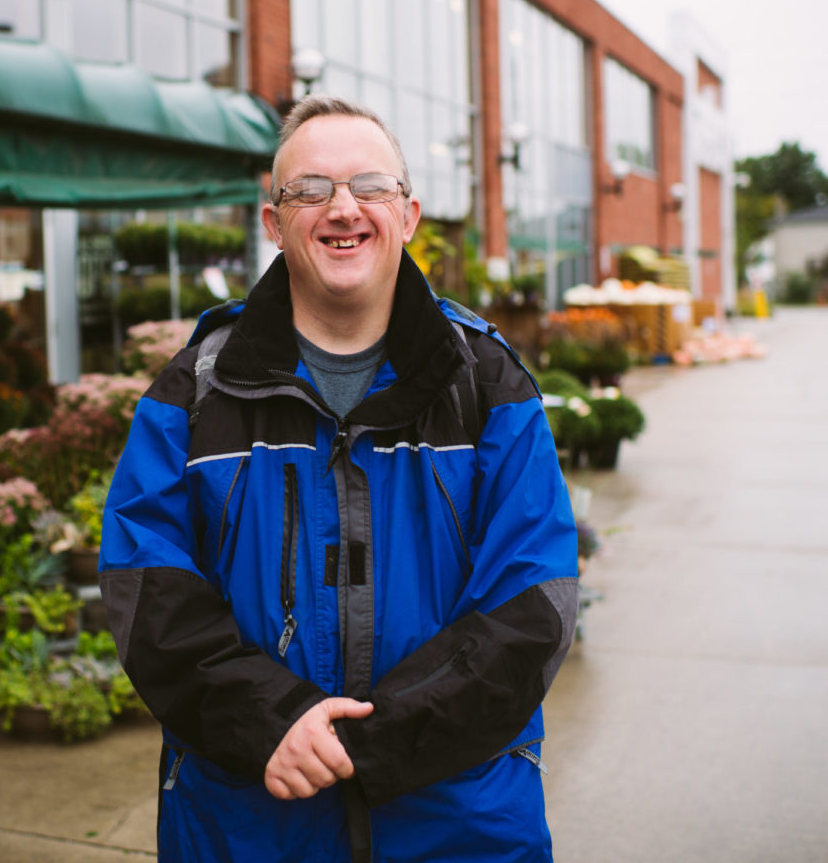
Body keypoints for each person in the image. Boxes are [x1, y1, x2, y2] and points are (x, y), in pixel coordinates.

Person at [100, 95, 578, 863]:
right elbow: (143, 588)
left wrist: (381, 737)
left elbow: (534, 602)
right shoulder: (195, 393)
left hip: (460, 821)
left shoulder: (486, 384)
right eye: (311, 189)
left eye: (370, 186)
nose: (343, 208)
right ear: (272, 222)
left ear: (410, 213)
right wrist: (272, 721)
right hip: (251, 820)